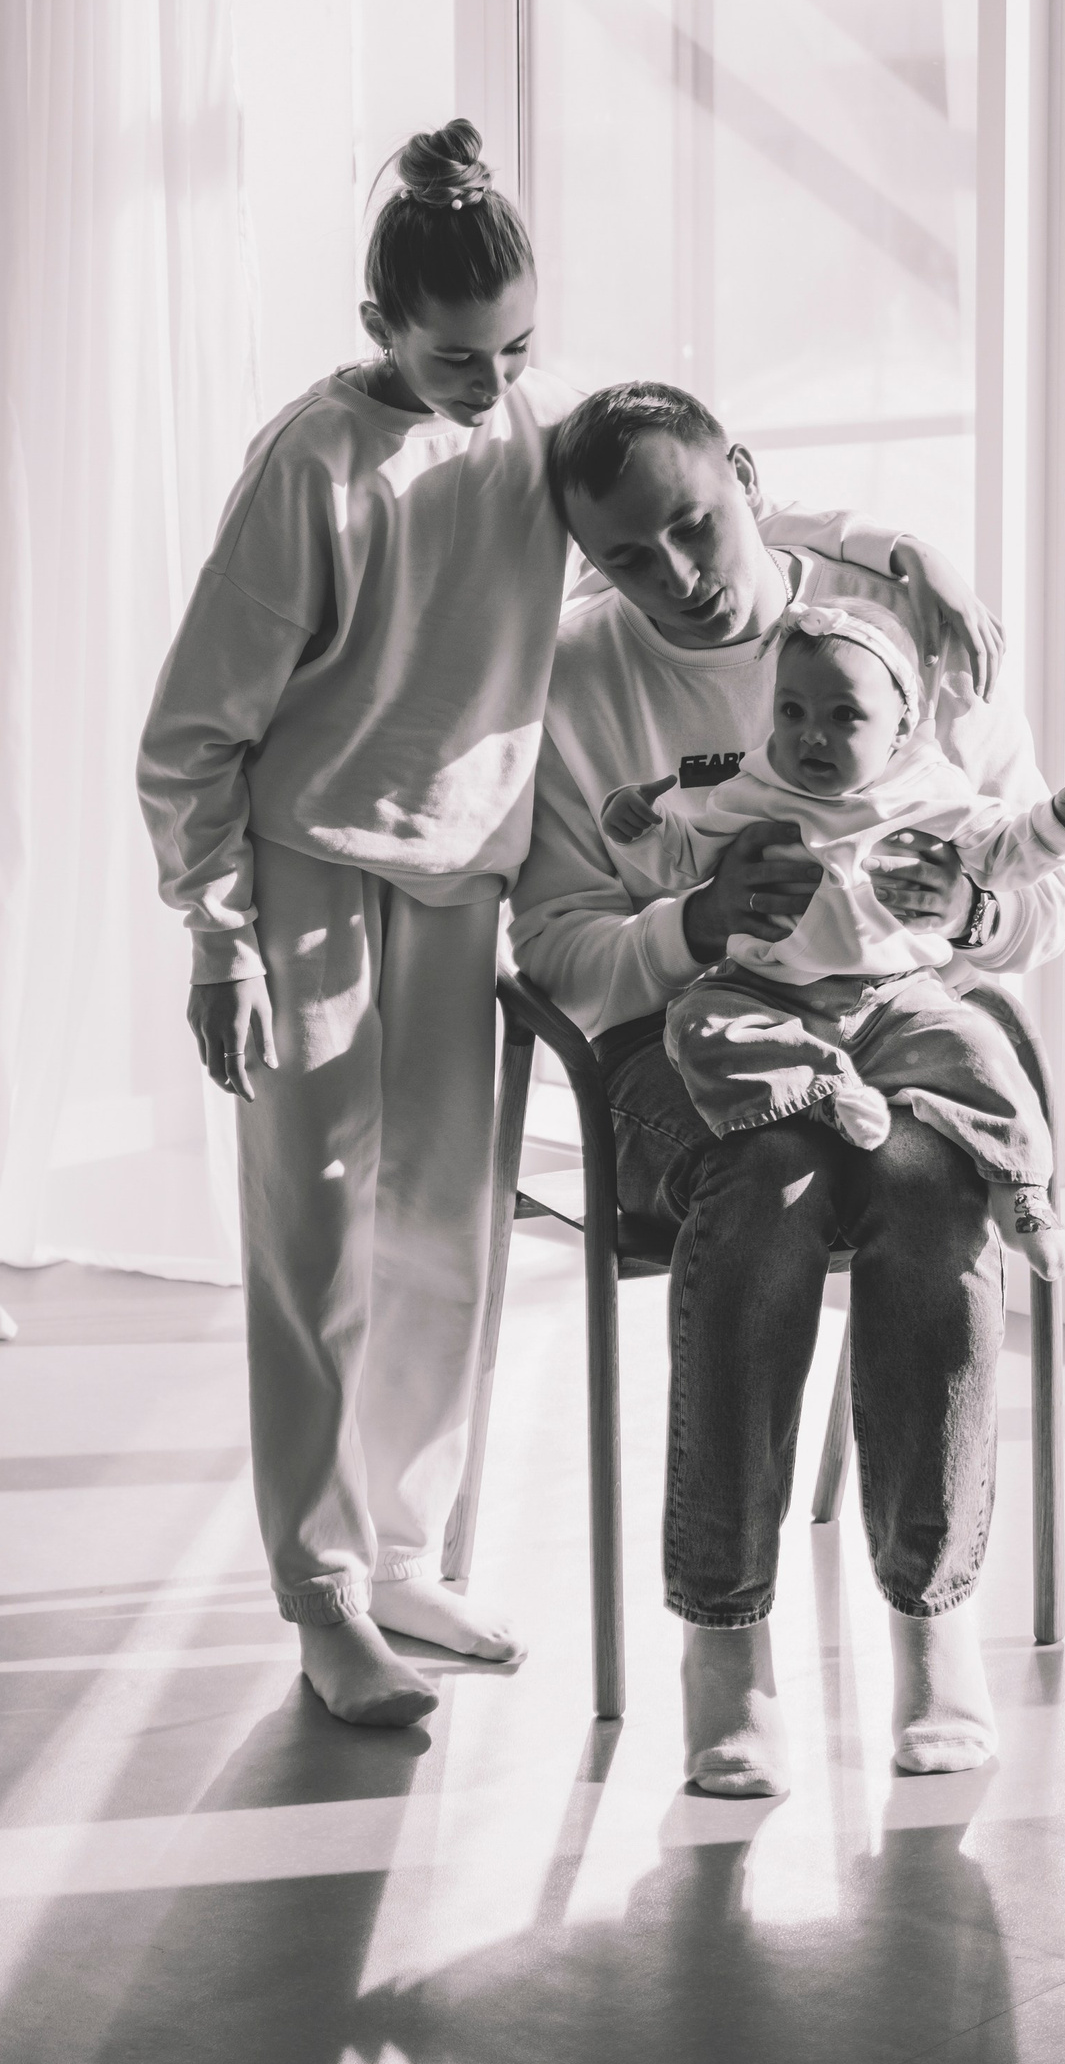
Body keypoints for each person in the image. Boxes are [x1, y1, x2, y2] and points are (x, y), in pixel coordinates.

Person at [138, 132, 997, 1731]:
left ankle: (402, 1555)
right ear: (381, 326)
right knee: (316, 1243)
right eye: (457, 357)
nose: (490, 383)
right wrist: (216, 931)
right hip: (308, 879)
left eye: (517, 351)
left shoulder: (530, 424)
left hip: (459, 883)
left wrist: (898, 553)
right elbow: (191, 730)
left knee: (440, 1238)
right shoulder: (312, 464)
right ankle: (323, 1596)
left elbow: (704, 497)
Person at [511, 385, 1065, 1796]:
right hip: (685, 1045)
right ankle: (726, 1644)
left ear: (748, 480)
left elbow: (1042, 898)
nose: (675, 578)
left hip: (893, 1019)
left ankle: (932, 1621)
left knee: (928, 1182)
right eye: (626, 557)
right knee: (769, 1179)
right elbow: (556, 952)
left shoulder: (909, 631)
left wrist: (963, 915)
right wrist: (693, 926)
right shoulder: (576, 680)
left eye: (694, 527)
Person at [602, 599, 1065, 1207]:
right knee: (696, 1024)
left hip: (897, 997)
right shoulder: (754, 790)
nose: (811, 734)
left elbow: (1004, 852)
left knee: (980, 1048)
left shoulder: (928, 790)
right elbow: (686, 857)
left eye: (844, 715)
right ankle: (823, 1094)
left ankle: (1023, 1195)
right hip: (768, 992)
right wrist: (644, 828)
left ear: (900, 728)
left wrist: (1056, 827)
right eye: (792, 711)